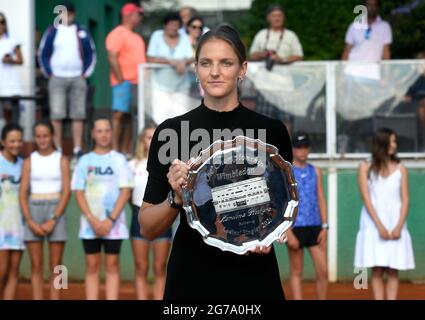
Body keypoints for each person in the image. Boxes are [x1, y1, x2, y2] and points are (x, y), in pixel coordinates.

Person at [139, 25, 292, 300]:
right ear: (196, 68)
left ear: (242, 69)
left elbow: (281, 208)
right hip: (192, 279)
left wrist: (268, 234)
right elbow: (147, 227)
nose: (215, 72)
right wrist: (176, 197)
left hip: (254, 278)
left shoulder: (272, 132)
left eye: (226, 62)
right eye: (206, 63)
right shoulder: (172, 132)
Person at [72, 118, 133, 300]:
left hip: (114, 225)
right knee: (91, 267)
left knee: (112, 266)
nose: (104, 134)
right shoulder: (84, 161)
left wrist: (110, 221)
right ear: (92, 133)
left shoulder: (120, 160)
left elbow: (125, 191)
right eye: (99, 131)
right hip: (90, 225)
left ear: (111, 133)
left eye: (107, 130)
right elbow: (78, 192)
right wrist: (92, 219)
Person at [354, 128, 415, 300]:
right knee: (378, 269)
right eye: (392, 141)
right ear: (383, 144)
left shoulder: (401, 169)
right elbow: (366, 199)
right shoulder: (365, 167)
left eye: (395, 141)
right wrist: (380, 226)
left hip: (396, 223)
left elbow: (405, 200)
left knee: (393, 269)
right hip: (373, 223)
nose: (395, 145)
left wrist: (398, 227)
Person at [19, 121, 71, 300]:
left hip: (56, 210)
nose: (42, 140)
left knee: (58, 266)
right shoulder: (29, 161)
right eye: (38, 136)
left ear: (52, 137)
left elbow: (66, 191)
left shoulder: (62, 159)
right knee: (36, 265)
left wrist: (53, 219)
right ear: (35, 138)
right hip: (34, 209)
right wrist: (30, 221)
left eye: (45, 136)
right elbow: (22, 193)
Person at [38, 1, 96, 159]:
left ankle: (77, 148)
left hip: (78, 77)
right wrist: (49, 73)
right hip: (57, 78)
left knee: (78, 114)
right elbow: (43, 53)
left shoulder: (81, 31)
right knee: (57, 114)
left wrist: (85, 73)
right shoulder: (52, 31)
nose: (67, 15)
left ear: (73, 14)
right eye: (63, 12)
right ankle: (57, 148)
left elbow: (91, 53)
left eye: (69, 12)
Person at [129, 124, 172, 300]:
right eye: (148, 137)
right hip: (138, 214)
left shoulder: (168, 165)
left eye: (156, 137)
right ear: (142, 141)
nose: (152, 141)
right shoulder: (133, 164)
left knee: (160, 266)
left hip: (162, 216)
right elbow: (126, 192)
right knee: (141, 266)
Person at [286, 132, 328, 300]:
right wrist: (288, 232)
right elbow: (282, 203)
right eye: (299, 147)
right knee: (297, 271)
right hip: (295, 227)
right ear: (293, 149)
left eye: (305, 147)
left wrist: (325, 226)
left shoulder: (316, 171)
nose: (303, 151)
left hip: (315, 227)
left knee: (323, 270)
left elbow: (321, 198)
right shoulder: (286, 171)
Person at [106, 3, 146, 156]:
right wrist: (121, 79)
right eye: (137, 14)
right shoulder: (118, 33)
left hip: (138, 82)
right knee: (119, 115)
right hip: (124, 82)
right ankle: (114, 150)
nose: (139, 18)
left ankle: (126, 150)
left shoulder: (136, 36)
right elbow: (112, 57)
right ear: (127, 15)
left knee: (130, 116)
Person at [147, 11, 195, 125]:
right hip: (159, 87)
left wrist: (182, 62)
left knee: (182, 118)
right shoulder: (157, 35)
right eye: (171, 24)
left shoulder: (184, 37)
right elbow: (151, 58)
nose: (173, 27)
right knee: (160, 118)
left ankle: (180, 143)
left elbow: (191, 57)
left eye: (176, 25)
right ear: (165, 25)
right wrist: (171, 61)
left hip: (181, 86)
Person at [0, 124, 24, 300]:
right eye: (12, 141)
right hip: (1, 225)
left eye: (19, 140)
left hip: (18, 225)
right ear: (3, 142)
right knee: (1, 271)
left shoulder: (25, 165)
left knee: (13, 271)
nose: (16, 144)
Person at [0, 12, 24, 129]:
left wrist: (10, 60)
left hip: (11, 86)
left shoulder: (12, 41)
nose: (0, 25)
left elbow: (20, 60)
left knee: (13, 120)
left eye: (2, 22)